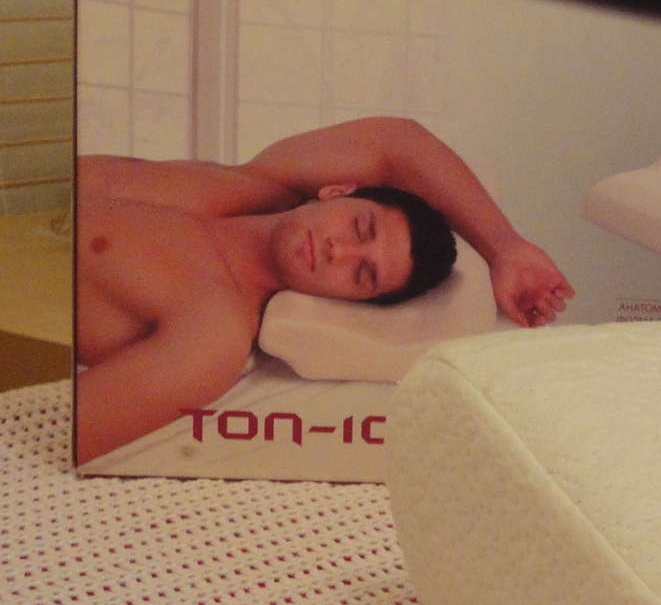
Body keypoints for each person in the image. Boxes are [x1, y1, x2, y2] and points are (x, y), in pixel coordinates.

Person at [74, 115, 574, 463]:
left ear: (348, 302)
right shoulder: (254, 183)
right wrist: (506, 247)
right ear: (338, 190)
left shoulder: (211, 334)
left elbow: (67, 430)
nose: (340, 252)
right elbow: (397, 140)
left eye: (362, 275)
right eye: (359, 227)